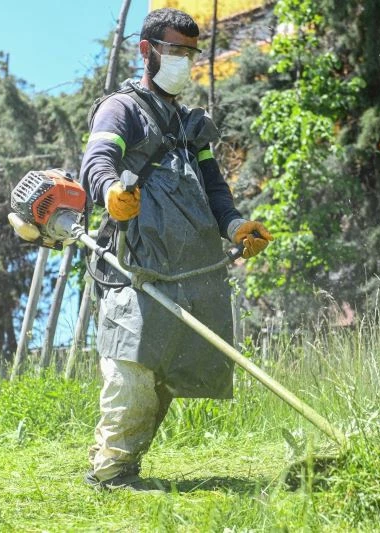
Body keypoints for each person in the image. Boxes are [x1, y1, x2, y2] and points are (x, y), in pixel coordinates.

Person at [80, 7, 272, 491]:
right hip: (138, 261)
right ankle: (110, 472)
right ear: (147, 51)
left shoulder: (191, 123)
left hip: (191, 267)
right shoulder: (121, 109)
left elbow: (214, 189)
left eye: (191, 53)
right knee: (133, 361)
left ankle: (123, 466)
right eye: (175, 51)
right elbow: (97, 160)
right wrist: (109, 193)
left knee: (165, 372)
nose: (184, 61)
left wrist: (234, 227)